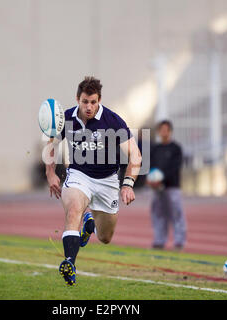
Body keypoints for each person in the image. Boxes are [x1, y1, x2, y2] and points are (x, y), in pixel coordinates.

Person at [45, 76, 142, 286]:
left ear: (99, 101)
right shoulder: (66, 118)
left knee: (105, 237)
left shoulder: (112, 121)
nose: (89, 107)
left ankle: (90, 227)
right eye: (84, 102)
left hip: (108, 181)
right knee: (73, 210)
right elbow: (51, 145)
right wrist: (50, 173)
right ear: (77, 99)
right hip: (79, 175)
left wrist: (127, 184)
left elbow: (135, 155)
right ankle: (69, 262)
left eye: (93, 102)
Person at [147, 120, 186, 250]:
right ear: (159, 131)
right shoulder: (155, 148)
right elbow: (149, 166)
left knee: (176, 214)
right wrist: (150, 179)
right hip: (157, 189)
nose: (164, 132)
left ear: (170, 131)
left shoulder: (176, 148)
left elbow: (175, 167)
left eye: (166, 129)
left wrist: (161, 179)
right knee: (158, 214)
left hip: (172, 187)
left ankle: (179, 241)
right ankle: (159, 241)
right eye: (161, 130)